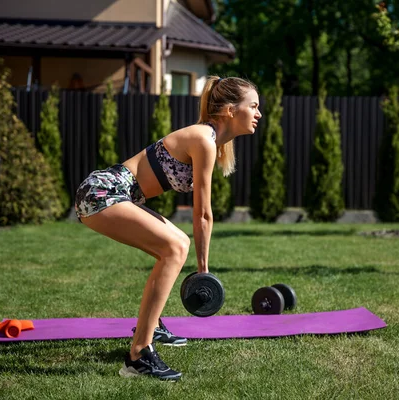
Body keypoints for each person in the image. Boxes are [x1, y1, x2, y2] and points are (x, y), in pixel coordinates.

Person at [74, 76, 262, 381]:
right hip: (102, 192)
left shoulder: (211, 141)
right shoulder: (204, 138)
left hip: (113, 195)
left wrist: (201, 270)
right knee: (175, 248)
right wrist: (203, 270)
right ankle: (138, 355)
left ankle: (151, 326)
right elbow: (202, 214)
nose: (258, 113)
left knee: (175, 243)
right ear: (229, 109)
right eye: (252, 106)